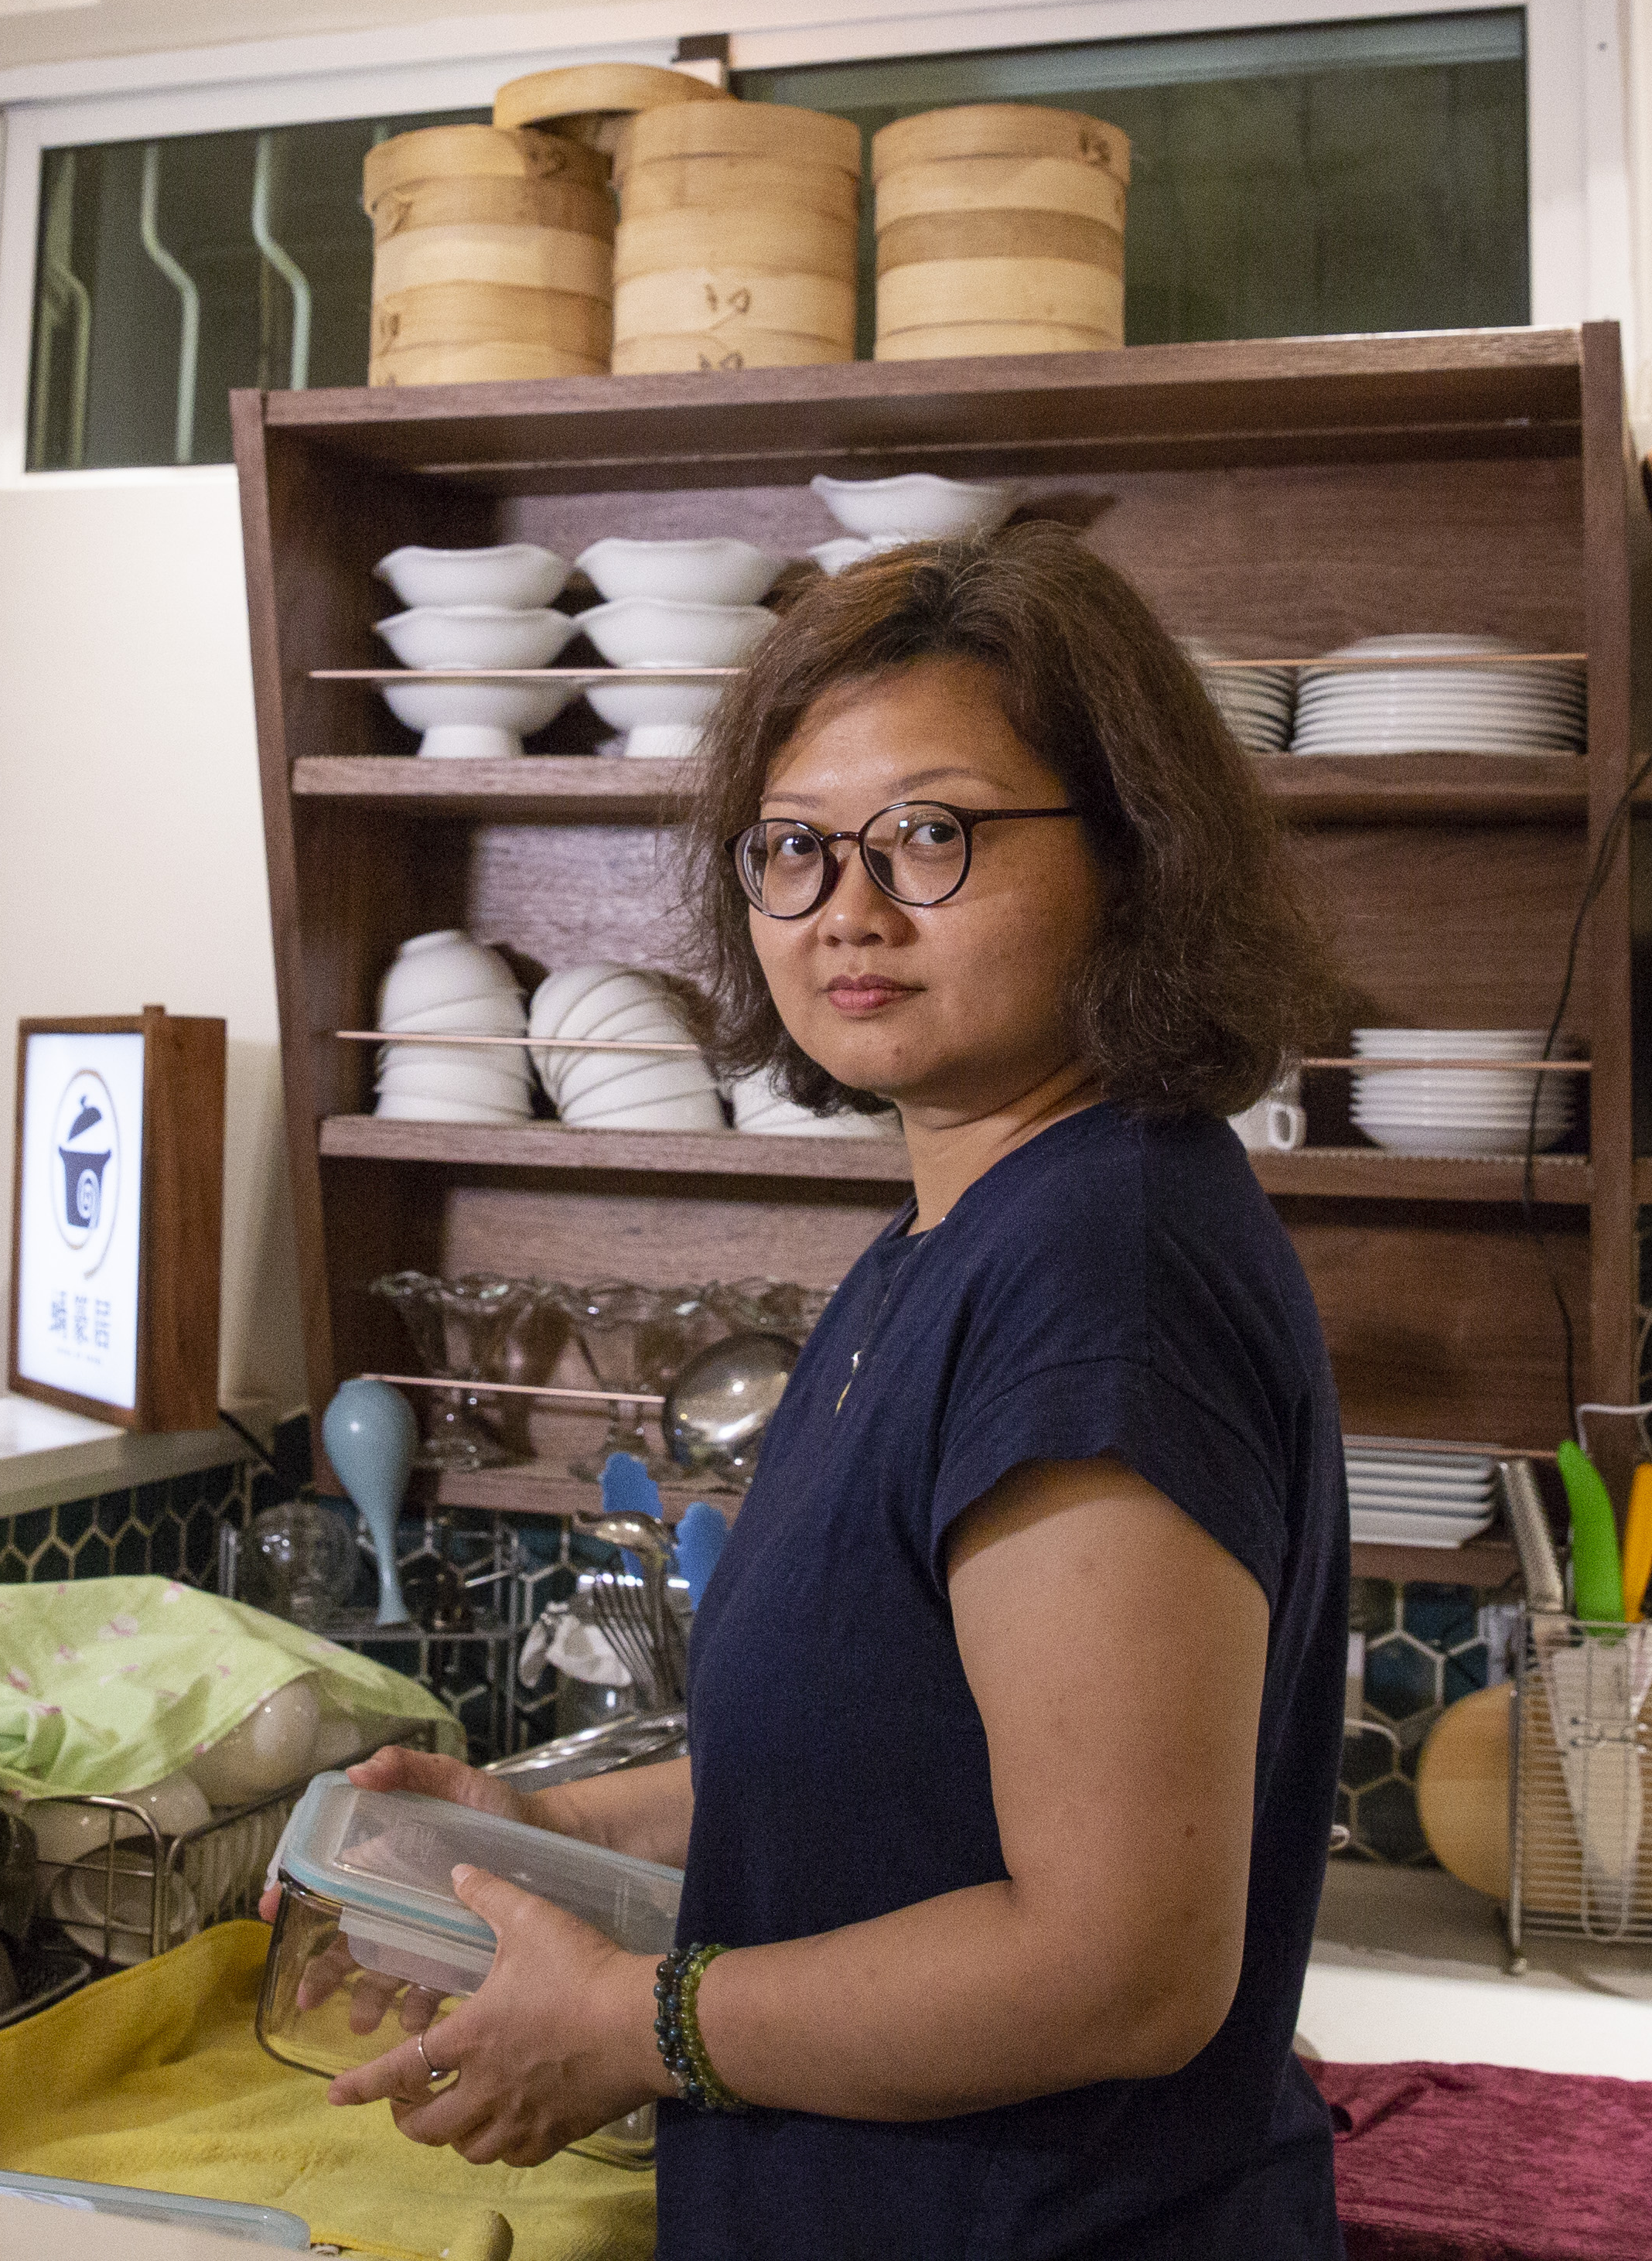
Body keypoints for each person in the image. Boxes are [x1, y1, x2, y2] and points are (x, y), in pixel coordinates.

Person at [321, 525, 1353, 2255]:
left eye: (931, 837)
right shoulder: (951, 1240)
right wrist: (547, 1827)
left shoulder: (1101, 1281)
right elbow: (869, 1770)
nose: (845, 909)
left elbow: (1119, 1972)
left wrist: (634, 2025)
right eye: (793, 849)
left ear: (1134, 853)